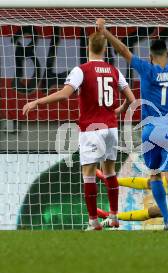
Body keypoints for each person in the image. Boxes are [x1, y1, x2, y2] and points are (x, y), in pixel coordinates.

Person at [96, 15, 168, 231]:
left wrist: (104, 32)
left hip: (149, 130)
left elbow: (123, 50)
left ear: (151, 57)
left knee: (154, 176)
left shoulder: (146, 69)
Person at [23, 32, 136, 231]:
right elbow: (131, 98)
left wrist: (37, 101)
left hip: (92, 129)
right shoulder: (114, 70)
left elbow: (65, 95)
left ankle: (93, 221)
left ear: (88, 48)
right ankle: (114, 216)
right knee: (110, 172)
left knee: (89, 175)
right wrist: (120, 109)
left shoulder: (81, 70)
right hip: (110, 128)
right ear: (104, 49)